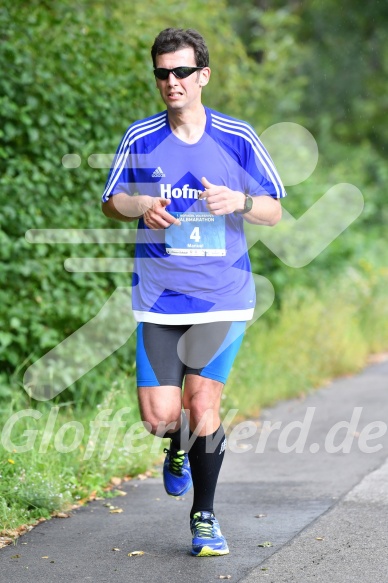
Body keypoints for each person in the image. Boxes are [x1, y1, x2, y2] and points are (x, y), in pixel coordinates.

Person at [101, 27, 285, 557]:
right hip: (158, 298)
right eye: (162, 73)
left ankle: (204, 517)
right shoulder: (140, 138)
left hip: (222, 297)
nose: (171, 82)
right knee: (162, 417)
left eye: (181, 72)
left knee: (203, 402)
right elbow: (112, 201)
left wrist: (241, 202)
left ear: (203, 75)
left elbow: (274, 209)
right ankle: (177, 447)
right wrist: (140, 206)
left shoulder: (237, 137)